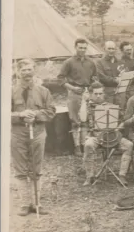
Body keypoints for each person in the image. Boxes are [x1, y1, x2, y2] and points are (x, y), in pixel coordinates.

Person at [11, 59, 56, 216]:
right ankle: (25, 204)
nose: (26, 73)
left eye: (29, 69)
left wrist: (35, 115)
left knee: (36, 168)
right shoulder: (9, 92)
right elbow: (1, 113)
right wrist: (20, 115)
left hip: (37, 132)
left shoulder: (43, 91)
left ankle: (37, 203)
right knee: (20, 169)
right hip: (17, 134)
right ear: (18, 72)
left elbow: (51, 111)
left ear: (34, 71)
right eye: (23, 70)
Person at [82, 82, 134, 186]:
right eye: (96, 94)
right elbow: (83, 118)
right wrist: (84, 101)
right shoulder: (87, 107)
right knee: (88, 145)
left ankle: (122, 175)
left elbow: (123, 120)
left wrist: (119, 127)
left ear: (104, 94)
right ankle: (89, 176)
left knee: (129, 145)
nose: (98, 96)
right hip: (96, 136)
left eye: (100, 93)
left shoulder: (111, 106)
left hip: (112, 136)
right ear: (91, 94)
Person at [57, 38, 97, 156]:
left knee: (85, 120)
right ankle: (77, 147)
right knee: (75, 121)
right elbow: (60, 78)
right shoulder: (68, 62)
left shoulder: (91, 62)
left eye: (85, 48)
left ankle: (85, 145)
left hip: (86, 92)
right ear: (75, 47)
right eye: (80, 47)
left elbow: (95, 77)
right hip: (74, 92)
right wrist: (72, 88)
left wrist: (92, 87)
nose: (82, 50)